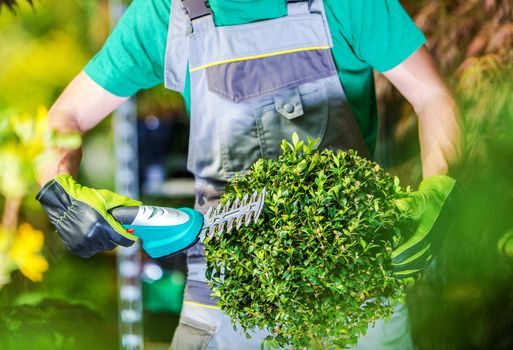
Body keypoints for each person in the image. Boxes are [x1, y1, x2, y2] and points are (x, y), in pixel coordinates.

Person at [35, 0, 460, 348]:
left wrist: (441, 188)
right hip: (223, 296)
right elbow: (65, 117)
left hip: (356, 282)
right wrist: (60, 192)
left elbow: (432, 95)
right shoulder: (168, 13)